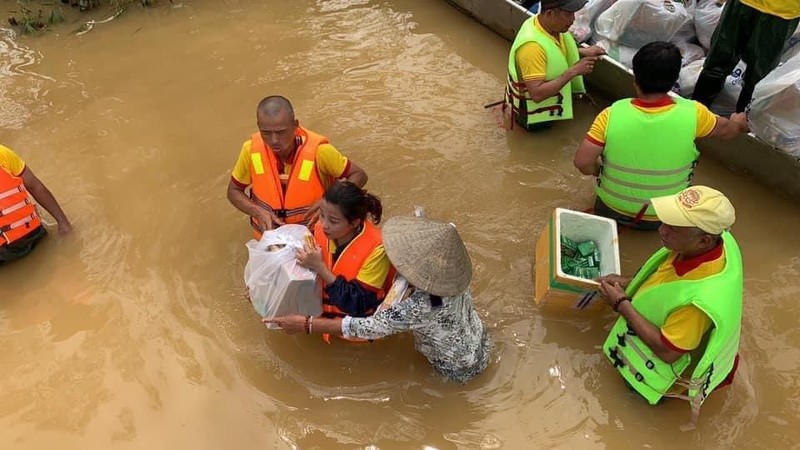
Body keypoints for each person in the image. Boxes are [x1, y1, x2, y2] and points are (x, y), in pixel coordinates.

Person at [265, 216, 491, 383]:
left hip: (456, 367)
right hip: (480, 340)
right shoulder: (451, 273)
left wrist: (305, 324)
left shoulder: (423, 305)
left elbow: (368, 327)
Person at [597, 186, 742, 420]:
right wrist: (628, 281)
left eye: (672, 228)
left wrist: (621, 303)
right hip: (668, 337)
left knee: (627, 410)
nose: (661, 230)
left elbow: (667, 352)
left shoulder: (697, 304)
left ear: (704, 240)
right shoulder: (710, 242)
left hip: (659, 376)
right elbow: (667, 276)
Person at [574, 42, 749, 230]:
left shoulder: (611, 114)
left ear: (636, 78)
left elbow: (582, 162)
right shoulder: (694, 114)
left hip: (609, 210)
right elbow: (728, 131)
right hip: (663, 218)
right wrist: (738, 122)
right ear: (674, 80)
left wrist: (598, 170)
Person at [227, 95, 368, 238]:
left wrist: (328, 202)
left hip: (315, 238)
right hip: (273, 241)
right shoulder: (250, 150)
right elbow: (233, 191)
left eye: (281, 132)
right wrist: (257, 211)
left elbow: (359, 175)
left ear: (295, 125)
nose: (274, 140)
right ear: (258, 127)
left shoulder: (320, 152)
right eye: (266, 133)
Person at [297, 181, 393, 321]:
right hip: (321, 325)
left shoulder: (378, 248)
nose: (324, 225)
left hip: (358, 336)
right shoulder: (318, 230)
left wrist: (320, 267)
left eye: (333, 221)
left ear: (354, 223)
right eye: (322, 215)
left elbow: (358, 304)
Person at [504, 0, 605, 132]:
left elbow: (553, 51)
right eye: (568, 14)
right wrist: (573, 71)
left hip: (551, 105)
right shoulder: (532, 48)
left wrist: (584, 51)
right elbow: (537, 94)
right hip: (535, 116)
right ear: (550, 13)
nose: (573, 19)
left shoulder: (545, 25)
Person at [692, 0, 800, 113]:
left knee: (757, 75)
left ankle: (740, 122)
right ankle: (697, 114)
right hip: (745, 4)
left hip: (781, 12)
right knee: (719, 59)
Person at [1, 144, 72, 265]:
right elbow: (35, 187)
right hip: (36, 234)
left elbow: (36, 187)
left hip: (6, 252)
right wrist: (63, 223)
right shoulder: (3, 152)